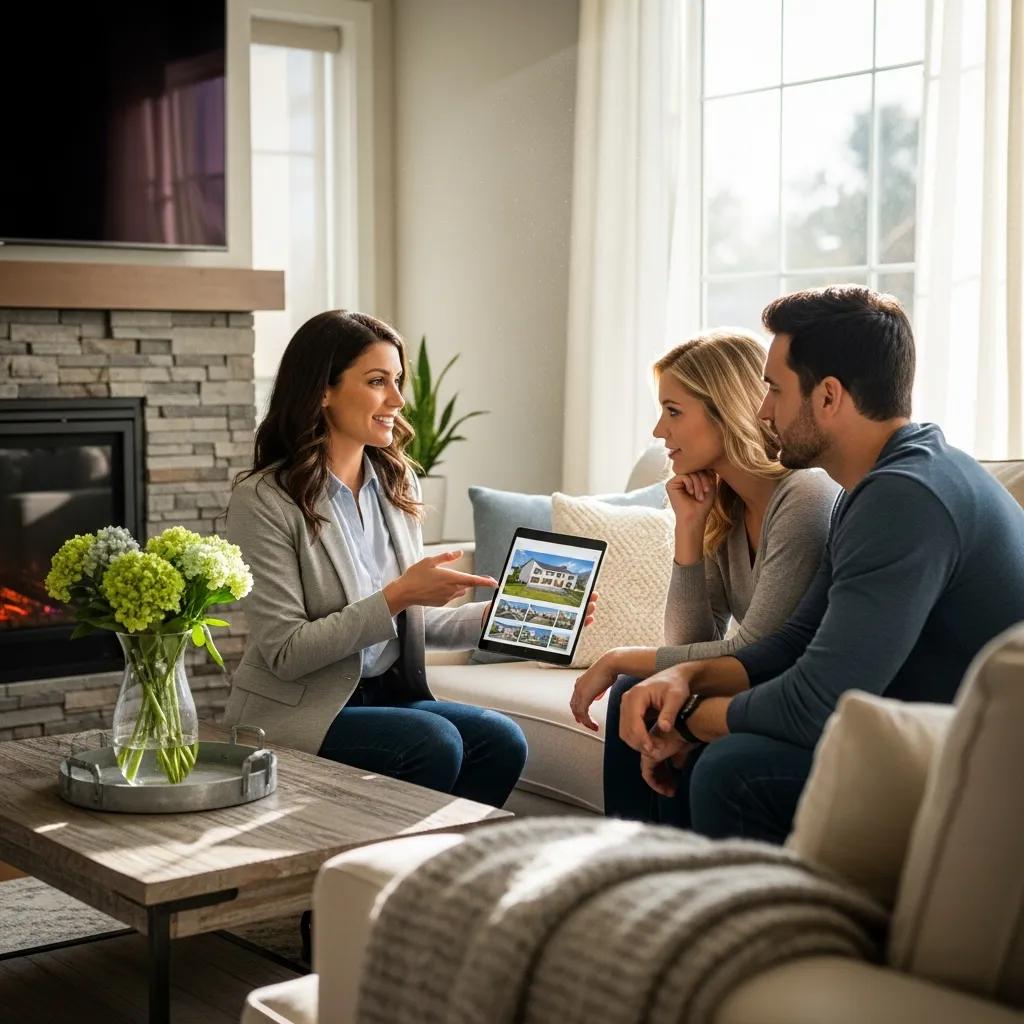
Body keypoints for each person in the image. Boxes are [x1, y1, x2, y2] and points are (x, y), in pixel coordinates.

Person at [617, 286, 1024, 844]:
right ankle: (646, 894)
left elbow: (816, 701)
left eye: (775, 390)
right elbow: (792, 643)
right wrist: (684, 676)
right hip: (917, 730)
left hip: (971, 763)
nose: (763, 411)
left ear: (828, 397)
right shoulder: (876, 487)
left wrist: (686, 718)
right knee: (657, 709)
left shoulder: (906, 497)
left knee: (734, 771)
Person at [225, 310, 582, 808]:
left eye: (396, 381)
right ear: (321, 390)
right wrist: (398, 596)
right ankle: (381, 868)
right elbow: (286, 652)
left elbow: (410, 621)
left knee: (502, 741)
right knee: (431, 741)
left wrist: (511, 615)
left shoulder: (396, 485)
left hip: (387, 694)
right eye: (377, 382)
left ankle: (439, 869)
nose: (397, 400)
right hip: (305, 706)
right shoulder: (264, 498)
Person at [568, 330, 839, 822]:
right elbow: (691, 639)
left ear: (726, 410)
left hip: (792, 696)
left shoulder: (805, 496)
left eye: (673, 411)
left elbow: (759, 652)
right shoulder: (726, 503)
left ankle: (647, 865)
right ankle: (630, 863)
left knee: (632, 683)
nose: (657, 431)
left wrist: (616, 657)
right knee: (637, 688)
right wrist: (689, 529)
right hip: (751, 682)